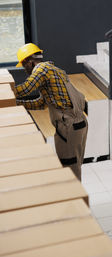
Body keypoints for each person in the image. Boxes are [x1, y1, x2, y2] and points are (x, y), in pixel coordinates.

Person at [14, 43, 88, 181]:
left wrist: (6, 92)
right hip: (74, 125)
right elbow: (41, 103)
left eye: (24, 65)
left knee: (70, 167)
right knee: (71, 165)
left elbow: (25, 89)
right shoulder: (51, 70)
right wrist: (17, 103)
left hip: (69, 124)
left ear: (29, 61)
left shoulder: (42, 69)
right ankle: (73, 197)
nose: (25, 69)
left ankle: (74, 200)